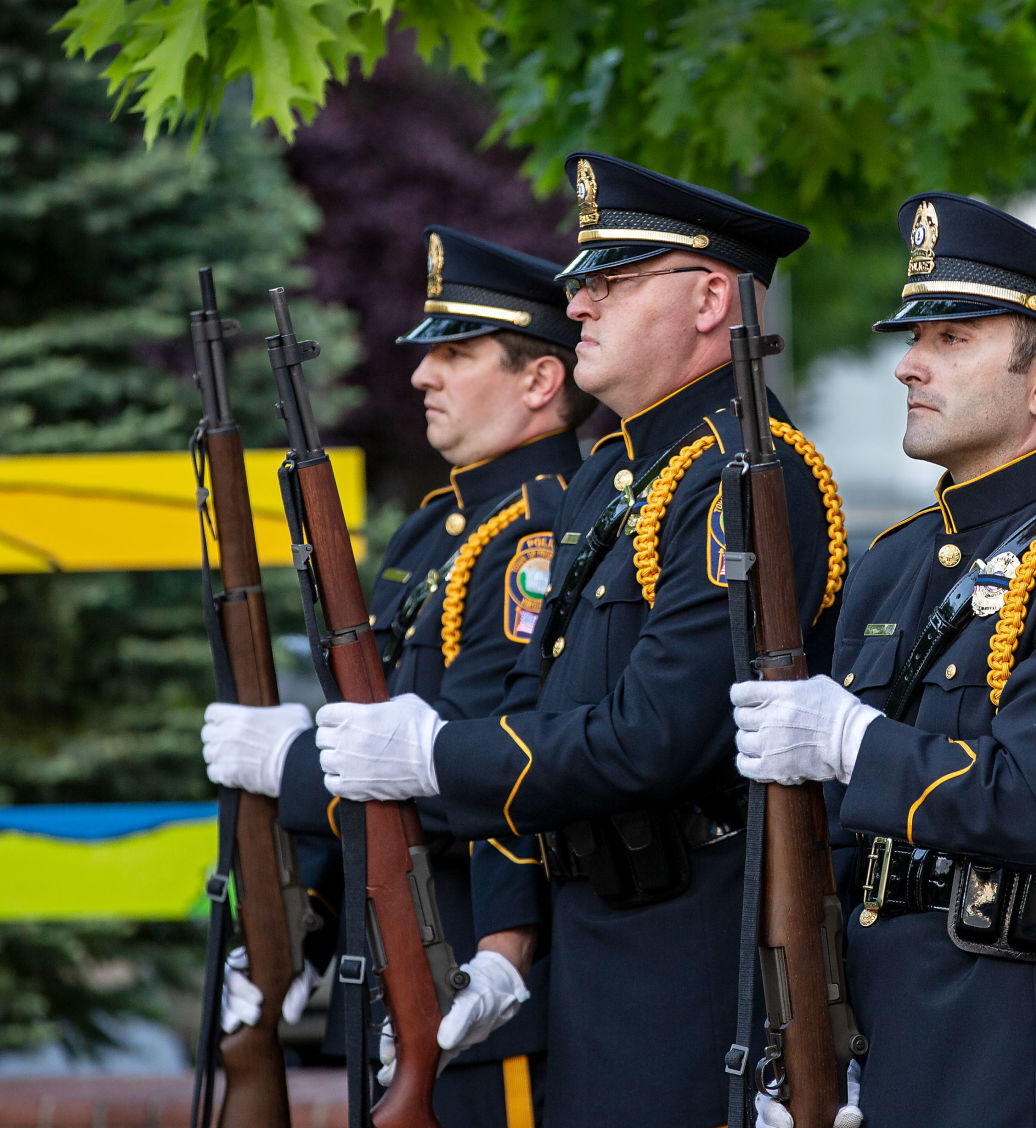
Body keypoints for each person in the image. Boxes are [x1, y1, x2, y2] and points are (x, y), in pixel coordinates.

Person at [312, 153, 849, 1128]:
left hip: (692, 939)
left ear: (708, 298)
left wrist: (431, 756)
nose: (579, 300)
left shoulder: (749, 475)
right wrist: (509, 936)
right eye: (581, 280)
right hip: (591, 927)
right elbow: (534, 708)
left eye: (611, 280)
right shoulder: (614, 481)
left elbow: (657, 735)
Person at [729, 192, 1036, 1127]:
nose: (908, 364)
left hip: (1025, 1024)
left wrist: (852, 741)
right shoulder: (898, 558)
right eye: (918, 339)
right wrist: (802, 1036)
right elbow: (824, 844)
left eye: (951, 339)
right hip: (882, 1024)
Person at [201, 225, 592, 1126]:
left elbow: (468, 762)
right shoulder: (431, 531)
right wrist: (292, 925)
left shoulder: (540, 533)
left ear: (539, 379)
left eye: (455, 354)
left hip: (472, 970)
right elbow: (365, 722)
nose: (422, 375)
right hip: (389, 959)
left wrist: (289, 766)